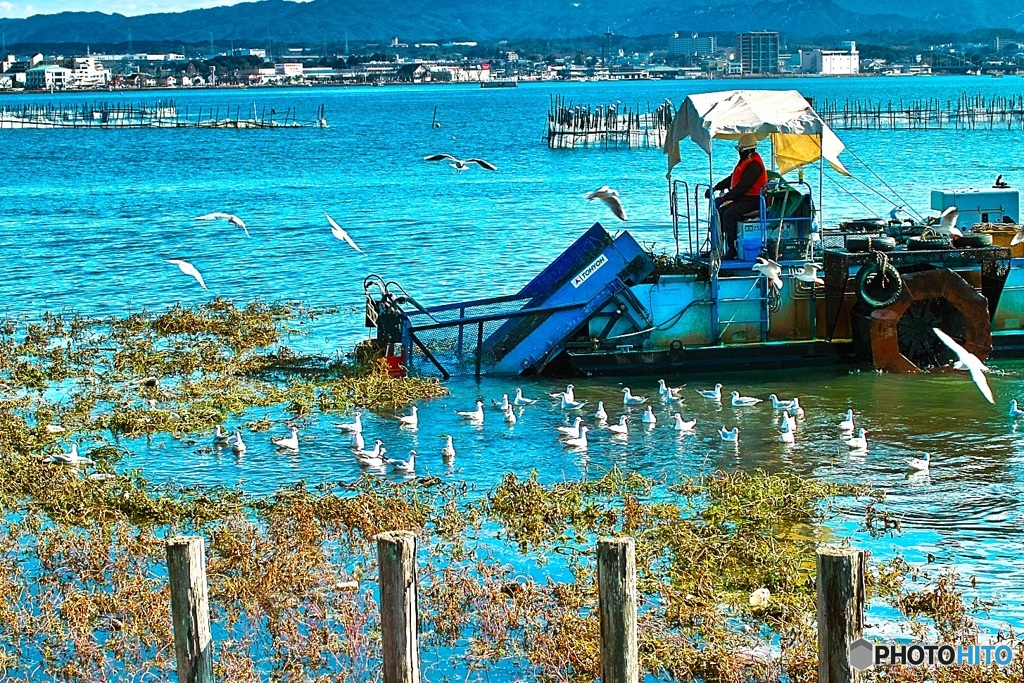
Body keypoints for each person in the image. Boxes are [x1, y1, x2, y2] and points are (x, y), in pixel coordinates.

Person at [705, 133, 768, 260]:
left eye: (740, 150)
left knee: (730, 214)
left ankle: (732, 249)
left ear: (748, 151)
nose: (739, 153)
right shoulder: (744, 162)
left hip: (754, 201)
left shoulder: (754, 166)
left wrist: (725, 198)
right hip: (744, 199)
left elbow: (742, 187)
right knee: (719, 213)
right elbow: (732, 178)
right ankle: (716, 248)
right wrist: (715, 187)